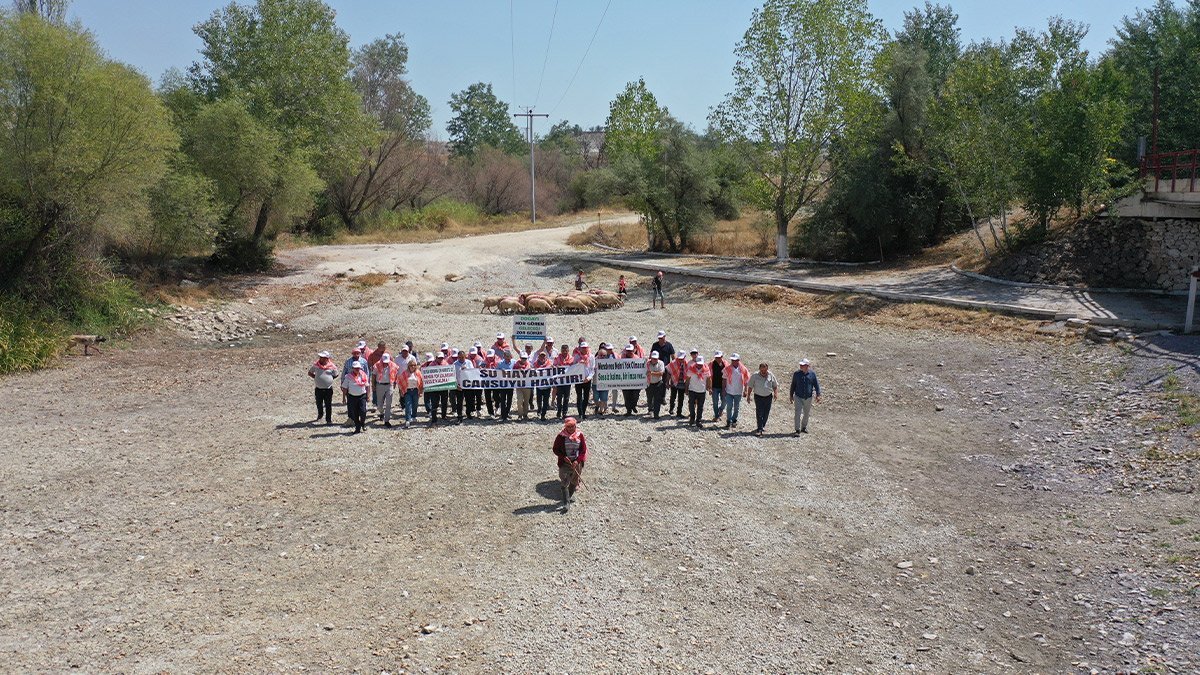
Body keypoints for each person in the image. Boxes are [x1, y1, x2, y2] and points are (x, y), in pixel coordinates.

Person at [552, 417, 588, 506]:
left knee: (575, 480)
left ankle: (567, 500)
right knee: (564, 480)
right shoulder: (561, 436)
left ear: (576, 426)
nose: (571, 428)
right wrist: (563, 457)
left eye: (573, 426)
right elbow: (555, 449)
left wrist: (577, 461)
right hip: (564, 462)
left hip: (576, 462)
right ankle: (566, 501)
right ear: (565, 426)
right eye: (569, 426)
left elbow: (583, 450)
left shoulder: (580, 435)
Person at [789, 358, 821, 434]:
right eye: (800, 365)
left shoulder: (812, 374)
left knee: (806, 413)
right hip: (798, 397)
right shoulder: (796, 374)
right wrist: (791, 395)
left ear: (807, 366)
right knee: (797, 413)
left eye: (802, 365)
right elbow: (793, 385)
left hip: (808, 397)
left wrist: (818, 394)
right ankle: (797, 429)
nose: (800, 366)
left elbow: (816, 385)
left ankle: (803, 427)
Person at [748, 362, 780, 436]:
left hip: (768, 396)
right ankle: (759, 428)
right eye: (762, 371)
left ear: (767, 369)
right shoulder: (755, 376)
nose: (763, 372)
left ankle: (762, 425)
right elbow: (750, 386)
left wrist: (775, 393)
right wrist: (748, 396)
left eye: (764, 371)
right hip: (758, 396)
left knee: (766, 412)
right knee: (759, 412)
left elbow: (775, 386)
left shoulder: (771, 375)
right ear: (759, 369)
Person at [308, 351, 339, 425]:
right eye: (320, 357)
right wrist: (316, 378)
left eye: (323, 358)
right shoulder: (316, 365)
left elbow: (336, 374)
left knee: (328, 404)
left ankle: (328, 419)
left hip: (328, 389)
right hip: (318, 389)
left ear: (327, 358)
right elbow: (310, 372)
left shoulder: (332, 366)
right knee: (319, 403)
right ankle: (320, 414)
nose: (321, 359)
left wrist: (330, 379)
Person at [722, 354, 751, 429]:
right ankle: (728, 421)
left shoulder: (743, 369)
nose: (733, 361)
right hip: (729, 391)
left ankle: (734, 420)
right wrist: (723, 389)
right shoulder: (727, 369)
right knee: (729, 406)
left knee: (736, 407)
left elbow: (746, 380)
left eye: (735, 360)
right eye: (732, 360)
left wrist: (745, 390)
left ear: (738, 360)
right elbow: (724, 379)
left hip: (738, 391)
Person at [373, 353, 400, 427]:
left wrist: (395, 382)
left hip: (389, 385)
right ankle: (381, 412)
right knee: (379, 405)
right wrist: (373, 385)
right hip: (380, 385)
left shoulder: (393, 365)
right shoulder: (377, 365)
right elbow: (374, 375)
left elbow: (396, 373)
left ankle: (387, 420)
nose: (385, 363)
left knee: (389, 404)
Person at [343, 361, 369, 433]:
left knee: (363, 411)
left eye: (358, 368)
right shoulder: (348, 377)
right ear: (352, 368)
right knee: (355, 413)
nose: (357, 369)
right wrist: (343, 398)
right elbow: (345, 388)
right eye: (355, 368)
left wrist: (368, 395)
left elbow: (367, 386)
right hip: (352, 397)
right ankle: (357, 428)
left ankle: (362, 423)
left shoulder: (363, 375)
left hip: (362, 396)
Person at [686, 355, 712, 427]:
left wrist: (710, 388)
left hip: (702, 390)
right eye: (698, 364)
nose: (700, 365)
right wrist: (686, 389)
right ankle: (692, 417)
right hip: (692, 390)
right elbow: (687, 379)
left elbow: (709, 378)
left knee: (700, 406)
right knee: (691, 405)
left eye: (701, 364)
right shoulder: (691, 368)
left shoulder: (706, 369)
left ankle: (698, 420)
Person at [398, 359, 424, 428]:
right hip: (408, 391)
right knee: (408, 405)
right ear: (408, 366)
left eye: (414, 365)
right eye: (411, 365)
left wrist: (421, 391)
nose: (412, 366)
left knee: (415, 404)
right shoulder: (404, 373)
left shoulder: (418, 372)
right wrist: (401, 391)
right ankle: (408, 419)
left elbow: (421, 382)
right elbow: (400, 382)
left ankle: (414, 416)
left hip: (415, 390)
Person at [573, 341, 594, 419]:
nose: (584, 349)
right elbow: (573, 367)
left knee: (586, 397)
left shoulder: (591, 357)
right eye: (583, 348)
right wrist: (578, 363)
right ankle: (580, 413)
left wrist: (588, 378)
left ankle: (584, 412)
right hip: (578, 380)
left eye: (585, 348)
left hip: (587, 380)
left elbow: (592, 369)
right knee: (579, 396)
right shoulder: (576, 357)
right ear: (580, 348)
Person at [553, 345, 573, 419]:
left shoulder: (571, 358)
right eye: (563, 350)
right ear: (561, 351)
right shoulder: (557, 358)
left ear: (568, 351)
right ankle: (559, 410)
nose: (564, 352)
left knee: (566, 398)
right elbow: (553, 367)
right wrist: (555, 367)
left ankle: (564, 412)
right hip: (559, 381)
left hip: (567, 381)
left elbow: (575, 367)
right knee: (559, 397)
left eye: (566, 350)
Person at [532, 350, 554, 419]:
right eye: (541, 356)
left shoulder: (549, 364)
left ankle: (543, 414)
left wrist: (553, 368)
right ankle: (539, 409)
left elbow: (554, 371)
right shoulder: (535, 364)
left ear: (545, 357)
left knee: (545, 400)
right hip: (539, 386)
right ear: (538, 357)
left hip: (547, 386)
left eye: (543, 356)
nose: (542, 357)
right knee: (539, 400)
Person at [620, 344, 642, 415]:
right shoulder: (622, 358)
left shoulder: (637, 359)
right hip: (625, 380)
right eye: (628, 351)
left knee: (635, 395)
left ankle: (633, 406)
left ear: (634, 350)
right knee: (626, 396)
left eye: (631, 351)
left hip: (635, 381)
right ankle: (628, 410)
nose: (629, 352)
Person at [593, 345, 614, 415]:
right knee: (596, 398)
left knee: (603, 398)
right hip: (595, 382)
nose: (602, 357)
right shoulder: (593, 361)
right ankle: (598, 406)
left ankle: (601, 410)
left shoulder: (609, 362)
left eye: (604, 355)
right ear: (598, 355)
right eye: (601, 355)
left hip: (605, 383)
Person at [645, 350, 666, 419]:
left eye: (656, 358)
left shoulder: (661, 363)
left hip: (658, 383)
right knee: (649, 398)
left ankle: (656, 414)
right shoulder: (647, 363)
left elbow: (661, 373)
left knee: (657, 399)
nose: (654, 360)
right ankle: (650, 410)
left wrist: (651, 373)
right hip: (649, 383)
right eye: (653, 358)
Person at [512, 352, 534, 420]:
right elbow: (511, 373)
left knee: (526, 401)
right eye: (522, 358)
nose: (523, 359)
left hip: (527, 386)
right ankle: (520, 415)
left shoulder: (529, 365)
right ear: (520, 358)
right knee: (519, 400)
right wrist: (517, 370)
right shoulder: (515, 365)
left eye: (525, 358)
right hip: (519, 386)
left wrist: (531, 370)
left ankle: (525, 414)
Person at [495, 350, 515, 420]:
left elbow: (517, 369)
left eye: (508, 358)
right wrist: (500, 371)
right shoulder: (500, 363)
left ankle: (507, 413)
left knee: (509, 399)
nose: (507, 359)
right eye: (506, 358)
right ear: (504, 357)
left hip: (510, 384)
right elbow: (495, 372)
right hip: (503, 384)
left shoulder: (514, 362)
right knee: (503, 400)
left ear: (511, 357)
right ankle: (503, 415)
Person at [668, 351, 688, 417]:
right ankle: (671, 409)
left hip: (682, 383)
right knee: (673, 397)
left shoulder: (687, 364)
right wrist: (667, 382)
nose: (681, 360)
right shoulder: (673, 363)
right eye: (680, 358)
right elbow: (669, 372)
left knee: (681, 399)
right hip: (674, 382)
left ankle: (679, 412)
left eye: (682, 358)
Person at [367, 341, 386, 410]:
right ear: (378, 347)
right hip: (376, 373)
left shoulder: (387, 354)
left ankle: (382, 403)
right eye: (382, 347)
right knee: (374, 387)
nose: (384, 349)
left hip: (385, 374)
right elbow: (369, 363)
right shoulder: (373, 354)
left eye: (384, 347)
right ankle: (374, 403)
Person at [710, 351, 727, 422]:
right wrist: (709, 386)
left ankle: (721, 410)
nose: (718, 359)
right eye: (716, 357)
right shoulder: (711, 364)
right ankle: (716, 416)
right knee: (715, 402)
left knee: (724, 401)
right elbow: (708, 375)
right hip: (714, 386)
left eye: (719, 357)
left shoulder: (725, 364)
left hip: (724, 386)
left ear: (722, 357)